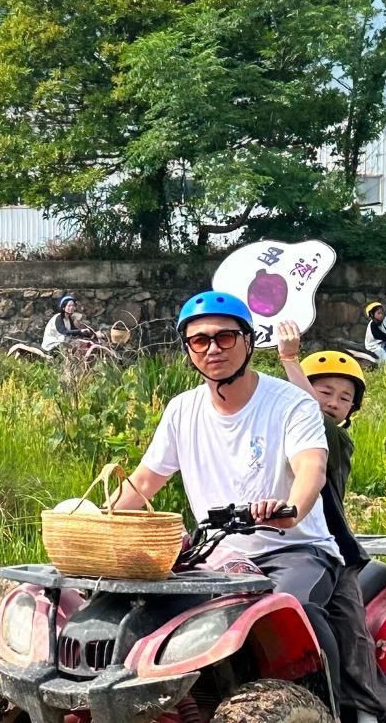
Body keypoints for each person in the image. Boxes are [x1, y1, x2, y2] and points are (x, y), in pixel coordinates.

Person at [110, 292, 342, 695]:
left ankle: (330, 703)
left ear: (248, 341)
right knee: (146, 618)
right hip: (215, 556)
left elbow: (312, 468)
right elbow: (145, 481)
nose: (213, 348)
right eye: (200, 340)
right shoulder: (182, 409)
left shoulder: (291, 404)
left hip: (295, 550)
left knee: (291, 611)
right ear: (188, 349)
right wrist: (97, 518)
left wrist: (290, 512)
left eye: (226, 337)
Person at [277, 324, 386, 723]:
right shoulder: (279, 431)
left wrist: (289, 360)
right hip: (276, 546)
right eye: (324, 391)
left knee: (350, 626)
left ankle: (367, 710)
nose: (332, 402)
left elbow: (308, 414)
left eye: (344, 398)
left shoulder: (335, 440)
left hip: (332, 547)